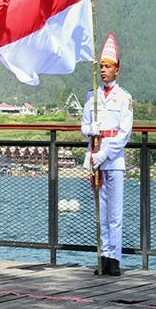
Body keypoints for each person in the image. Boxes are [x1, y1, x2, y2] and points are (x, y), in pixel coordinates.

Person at [81, 33, 133, 277]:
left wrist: (104, 154)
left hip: (113, 159)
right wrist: (89, 130)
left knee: (115, 213)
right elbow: (84, 126)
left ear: (117, 70)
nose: (103, 70)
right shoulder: (92, 96)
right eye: (101, 66)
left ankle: (115, 259)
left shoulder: (124, 99)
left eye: (108, 66)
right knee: (100, 212)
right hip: (96, 158)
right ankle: (103, 256)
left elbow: (124, 133)